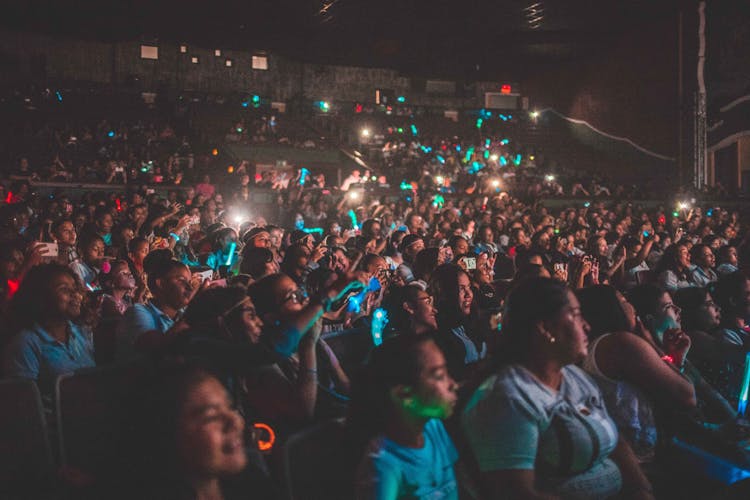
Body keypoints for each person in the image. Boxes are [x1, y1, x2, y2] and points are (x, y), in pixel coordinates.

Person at [462, 278, 653, 499]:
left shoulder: (572, 375)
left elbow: (615, 439)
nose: (587, 326)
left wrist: (642, 488)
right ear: (545, 327)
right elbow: (518, 492)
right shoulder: (507, 399)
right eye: (576, 314)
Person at [576, 285, 696, 464]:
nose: (631, 306)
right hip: (639, 465)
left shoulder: (600, 346)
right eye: (624, 301)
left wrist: (675, 359)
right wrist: (650, 343)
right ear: (609, 309)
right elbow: (687, 397)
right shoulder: (620, 343)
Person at [127, 365, 278, 499]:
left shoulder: (252, 481)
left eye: (230, 407)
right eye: (211, 417)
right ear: (166, 436)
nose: (236, 421)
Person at [351, 335, 459, 500]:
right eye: (439, 376)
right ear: (404, 394)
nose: (453, 384)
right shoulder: (383, 465)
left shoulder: (432, 427)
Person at [3, 263, 95, 405]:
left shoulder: (79, 332)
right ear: (41, 296)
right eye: (64, 289)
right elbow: (24, 405)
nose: (76, 295)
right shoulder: (26, 343)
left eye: (75, 289)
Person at [117, 250, 197, 361]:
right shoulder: (138, 312)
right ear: (161, 284)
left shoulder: (180, 315)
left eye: (189, 281)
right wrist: (196, 309)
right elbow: (154, 350)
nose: (189, 287)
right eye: (181, 280)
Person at [429, 264, 486, 381]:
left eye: (469, 287)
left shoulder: (476, 320)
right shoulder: (437, 334)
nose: (468, 294)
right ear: (445, 293)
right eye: (461, 289)